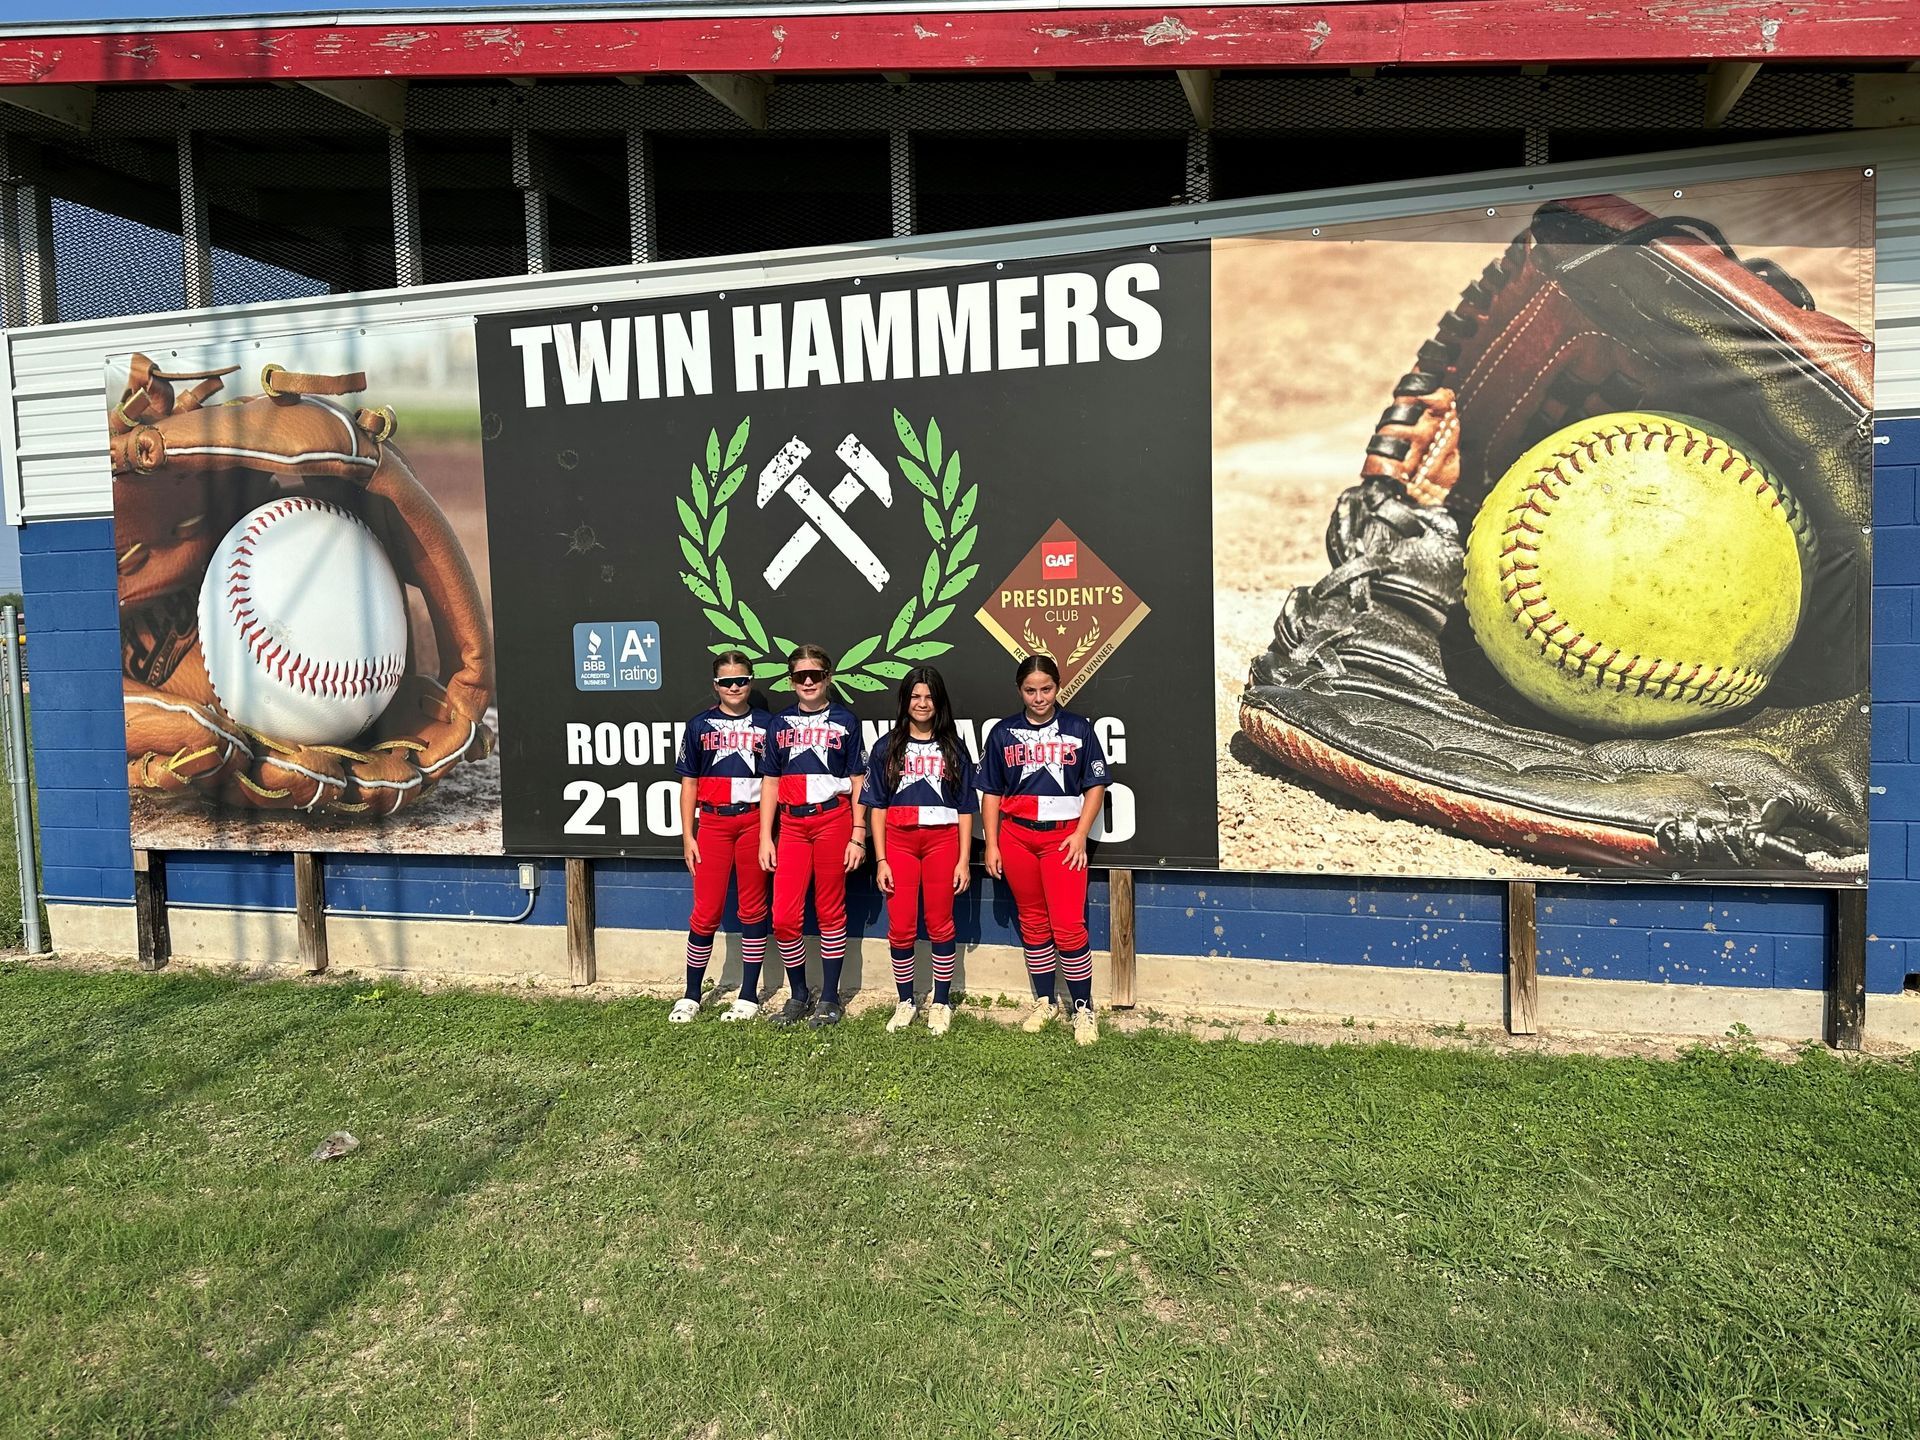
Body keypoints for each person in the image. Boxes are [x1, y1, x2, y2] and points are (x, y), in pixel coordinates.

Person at [978, 654, 1109, 1046]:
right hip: (1017, 836)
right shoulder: (1002, 732)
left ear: (1058, 686)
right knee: (1033, 921)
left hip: (1063, 837)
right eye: (1030, 690)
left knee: (1068, 925)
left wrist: (1081, 834)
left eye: (1046, 689)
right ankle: (1045, 1000)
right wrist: (992, 843)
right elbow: (990, 792)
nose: (1039, 697)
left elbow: (1096, 785)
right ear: (1020, 690)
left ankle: (1083, 1007)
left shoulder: (1078, 728)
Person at [862, 667, 976, 1036]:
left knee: (941, 922)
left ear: (939, 701)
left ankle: (941, 1002)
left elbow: (964, 808)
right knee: (901, 926)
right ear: (904, 701)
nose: (922, 703)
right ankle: (906, 1000)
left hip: (942, 841)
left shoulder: (955, 748)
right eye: (915, 696)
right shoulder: (887, 746)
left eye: (929, 697)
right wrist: (880, 859)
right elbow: (876, 805)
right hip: (898, 842)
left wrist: (963, 859)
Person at [760, 644, 867, 1028]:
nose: (808, 681)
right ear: (791, 681)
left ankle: (830, 996)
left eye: (816, 675)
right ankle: (799, 993)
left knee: (830, 911)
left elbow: (858, 780)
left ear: (829, 677)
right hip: (791, 825)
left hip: (832, 820)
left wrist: (858, 833)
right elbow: (770, 781)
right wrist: (764, 836)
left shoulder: (846, 720)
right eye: (801, 676)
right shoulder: (778, 723)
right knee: (785, 916)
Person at [671, 651, 777, 1024]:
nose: (735, 687)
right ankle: (691, 994)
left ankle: (748, 994)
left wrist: (766, 833)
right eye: (727, 681)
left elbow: (772, 783)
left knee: (752, 910)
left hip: (751, 823)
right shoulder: (699, 725)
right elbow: (689, 784)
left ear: (751, 681)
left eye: (741, 680)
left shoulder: (769, 725)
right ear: (715, 685)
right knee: (705, 912)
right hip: (713, 824)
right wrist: (689, 834)